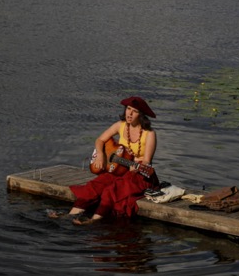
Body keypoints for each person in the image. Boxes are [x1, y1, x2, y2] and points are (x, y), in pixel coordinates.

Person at [55, 96, 160, 225]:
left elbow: (146, 162)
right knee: (96, 185)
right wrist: (100, 155)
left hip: (140, 174)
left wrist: (135, 168)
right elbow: (100, 140)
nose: (130, 113)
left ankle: (94, 220)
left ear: (141, 115)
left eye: (135, 111)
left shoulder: (149, 134)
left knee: (112, 190)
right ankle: (70, 215)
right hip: (119, 169)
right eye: (128, 109)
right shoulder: (120, 125)